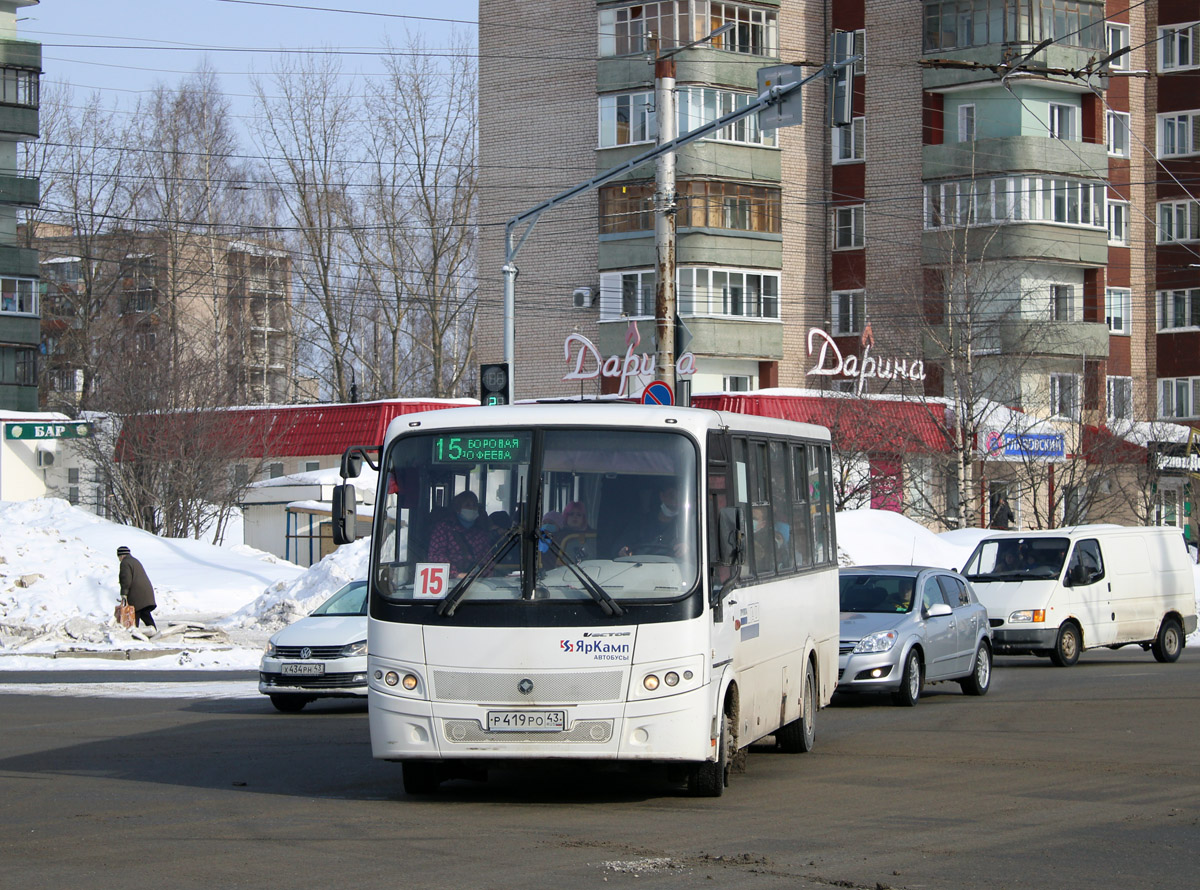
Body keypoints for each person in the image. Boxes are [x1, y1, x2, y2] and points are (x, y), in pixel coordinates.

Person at [427, 491, 493, 577]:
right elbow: (436, 555)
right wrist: (456, 574)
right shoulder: (444, 529)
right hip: (451, 583)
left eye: (474, 506)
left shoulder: (480, 532)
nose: (471, 509)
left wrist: (484, 574)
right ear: (458, 509)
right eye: (467, 505)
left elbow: (487, 558)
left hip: (476, 582)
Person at [619, 484, 685, 557]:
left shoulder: (686, 527)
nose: (675, 503)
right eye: (672, 496)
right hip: (637, 567)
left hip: (672, 567)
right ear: (662, 496)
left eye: (680, 498)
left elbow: (696, 553)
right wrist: (622, 551)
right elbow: (619, 547)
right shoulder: (640, 523)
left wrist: (687, 549)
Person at [117, 546, 158, 636]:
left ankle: (133, 634)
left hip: (137, 594)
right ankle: (153, 631)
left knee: (135, 613)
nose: (119, 560)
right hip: (145, 592)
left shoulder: (125, 563)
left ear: (121, 556)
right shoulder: (134, 561)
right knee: (143, 612)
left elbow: (126, 579)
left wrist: (124, 593)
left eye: (118, 557)